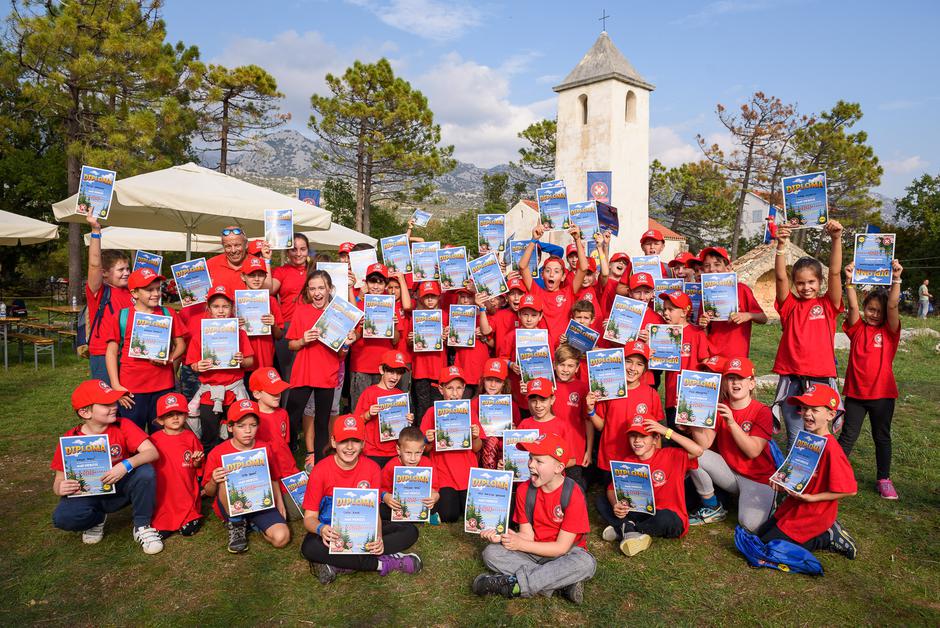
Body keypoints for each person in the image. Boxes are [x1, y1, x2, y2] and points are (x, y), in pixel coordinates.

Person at [472, 433, 595, 604]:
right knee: (491, 553)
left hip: (565, 555)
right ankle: (562, 584)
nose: (530, 465)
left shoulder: (573, 494)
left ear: (559, 468)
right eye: (530, 458)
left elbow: (561, 548)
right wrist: (505, 536)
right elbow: (526, 536)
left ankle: (513, 585)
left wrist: (521, 544)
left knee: (585, 563)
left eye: (539, 461)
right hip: (533, 551)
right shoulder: (524, 490)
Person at [300, 414, 422, 584]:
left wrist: (378, 537)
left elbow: (375, 514)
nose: (350, 447)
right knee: (309, 547)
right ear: (334, 442)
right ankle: (383, 563)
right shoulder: (320, 470)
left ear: (363, 443)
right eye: (344, 441)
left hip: (364, 529)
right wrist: (321, 529)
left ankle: (340, 565)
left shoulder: (372, 468)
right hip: (333, 533)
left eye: (355, 441)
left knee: (410, 531)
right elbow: (309, 518)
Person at [50, 380, 164, 554]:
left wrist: (125, 465)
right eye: (106, 404)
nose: (114, 406)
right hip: (88, 492)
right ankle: (96, 519)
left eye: (114, 402)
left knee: (145, 472)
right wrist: (60, 488)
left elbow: (151, 452)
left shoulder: (123, 424)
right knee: (63, 518)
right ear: (85, 412)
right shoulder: (70, 438)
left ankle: (142, 525)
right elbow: (58, 480)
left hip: (120, 487)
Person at [757, 384, 858, 559]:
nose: (807, 414)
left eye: (814, 410)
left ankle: (827, 537)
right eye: (804, 408)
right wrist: (781, 483)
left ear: (831, 415)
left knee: (771, 549)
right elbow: (797, 476)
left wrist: (812, 498)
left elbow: (850, 489)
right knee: (760, 537)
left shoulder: (831, 449)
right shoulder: (805, 440)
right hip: (794, 506)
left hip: (815, 512)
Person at [771, 221, 844, 450]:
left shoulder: (828, 305)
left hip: (820, 379)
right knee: (796, 436)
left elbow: (834, 271)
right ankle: (796, 482)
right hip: (792, 379)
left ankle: (819, 479)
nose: (806, 287)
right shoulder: (789, 305)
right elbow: (781, 277)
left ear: (819, 282)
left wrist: (836, 239)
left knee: (819, 435)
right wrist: (781, 247)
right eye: (800, 283)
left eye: (811, 282)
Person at [687, 358, 777, 532]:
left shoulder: (762, 411)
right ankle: (712, 507)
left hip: (757, 477)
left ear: (751, 383)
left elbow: (753, 451)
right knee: (693, 453)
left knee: (750, 526)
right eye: (730, 378)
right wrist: (692, 420)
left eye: (740, 378)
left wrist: (732, 423)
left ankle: (771, 500)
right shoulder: (721, 407)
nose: (735, 382)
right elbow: (704, 444)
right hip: (730, 473)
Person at [839, 260, 903, 499]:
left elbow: (894, 304)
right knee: (847, 437)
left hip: (883, 396)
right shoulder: (857, 328)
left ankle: (884, 478)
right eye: (871, 309)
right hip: (855, 395)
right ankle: (832, 472)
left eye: (879, 311)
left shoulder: (890, 331)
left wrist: (896, 278)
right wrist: (849, 282)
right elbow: (853, 308)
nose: (874, 314)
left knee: (882, 436)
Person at [597, 416, 704, 556]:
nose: (637, 441)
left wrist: (667, 431)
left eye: (643, 436)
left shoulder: (671, 455)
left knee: (666, 518)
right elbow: (612, 489)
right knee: (602, 500)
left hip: (667, 516)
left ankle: (626, 529)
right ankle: (629, 529)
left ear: (655, 439)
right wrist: (616, 505)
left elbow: (698, 451)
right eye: (633, 436)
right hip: (640, 512)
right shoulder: (628, 461)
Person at [202, 401, 291, 554]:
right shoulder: (217, 453)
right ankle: (237, 524)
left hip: (261, 501)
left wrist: (279, 502)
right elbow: (209, 492)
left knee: (281, 538)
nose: (248, 431)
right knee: (225, 474)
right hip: (232, 507)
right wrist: (213, 481)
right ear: (230, 427)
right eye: (241, 426)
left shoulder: (265, 447)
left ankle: (253, 524)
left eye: (253, 425)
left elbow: (273, 477)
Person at [103, 268, 186, 432]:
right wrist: (116, 385)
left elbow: (181, 344)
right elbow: (111, 352)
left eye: (158, 288)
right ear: (134, 293)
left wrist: (169, 358)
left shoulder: (167, 313)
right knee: (133, 436)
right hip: (132, 390)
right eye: (149, 290)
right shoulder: (122, 316)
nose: (155, 293)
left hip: (163, 387)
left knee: (162, 437)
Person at [285, 270, 351, 467]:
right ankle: (284, 462)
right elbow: (291, 345)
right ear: (308, 291)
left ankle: (320, 465)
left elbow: (341, 355)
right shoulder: (302, 311)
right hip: (303, 374)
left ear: (330, 289)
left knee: (322, 423)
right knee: (291, 419)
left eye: (321, 288)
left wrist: (346, 344)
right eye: (312, 288)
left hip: (327, 376)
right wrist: (303, 340)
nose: (317, 292)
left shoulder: (339, 315)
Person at [186, 285, 255, 452]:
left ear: (232, 308)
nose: (221, 311)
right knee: (209, 436)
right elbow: (192, 364)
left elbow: (250, 361)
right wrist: (198, 366)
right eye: (216, 307)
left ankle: (235, 470)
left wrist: (242, 360)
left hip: (234, 392)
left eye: (225, 306)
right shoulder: (200, 335)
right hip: (209, 395)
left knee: (237, 436)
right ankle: (210, 471)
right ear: (209, 309)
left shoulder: (240, 333)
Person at [587, 340, 664, 484]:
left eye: (639, 364)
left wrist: (656, 461)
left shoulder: (651, 394)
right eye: (628, 361)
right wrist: (591, 411)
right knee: (612, 500)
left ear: (645, 369)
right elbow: (601, 426)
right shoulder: (608, 389)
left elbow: (655, 432)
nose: (632, 368)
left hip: (639, 459)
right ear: (620, 362)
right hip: (611, 458)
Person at [420, 366, 485, 522]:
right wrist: (427, 440)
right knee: (450, 515)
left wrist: (475, 436)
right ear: (441, 390)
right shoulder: (431, 412)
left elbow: (477, 447)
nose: (454, 393)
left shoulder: (470, 412)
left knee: (471, 512)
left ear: (464, 389)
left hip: (467, 473)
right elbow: (425, 450)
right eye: (449, 388)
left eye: (458, 388)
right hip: (444, 474)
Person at [519, 224, 588, 345]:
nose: (551, 274)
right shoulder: (536, 292)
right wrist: (534, 240)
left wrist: (578, 239)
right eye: (548, 270)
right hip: (543, 351)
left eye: (556, 271)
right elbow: (523, 266)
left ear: (563, 277)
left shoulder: (569, 292)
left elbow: (583, 268)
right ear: (542, 275)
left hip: (564, 350)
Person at [696, 246, 768, 358]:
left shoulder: (742, 289)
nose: (711, 269)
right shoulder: (705, 294)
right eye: (707, 266)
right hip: (712, 356)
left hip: (736, 355)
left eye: (717, 264)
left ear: (728, 267)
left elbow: (763, 318)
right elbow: (705, 332)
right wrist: (703, 324)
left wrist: (748, 315)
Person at [84, 215, 132, 383]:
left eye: (128, 268)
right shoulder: (99, 291)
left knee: (126, 398)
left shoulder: (132, 292)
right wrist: (96, 231)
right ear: (104, 272)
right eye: (120, 270)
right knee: (106, 399)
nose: (126, 272)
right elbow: (94, 264)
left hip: (127, 353)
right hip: (103, 352)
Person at [150, 392, 204, 540]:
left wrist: (197, 460)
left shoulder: (190, 436)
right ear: (160, 420)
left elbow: (197, 466)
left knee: (188, 530)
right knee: (162, 525)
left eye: (179, 413)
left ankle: (189, 516)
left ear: (186, 416)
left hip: (185, 487)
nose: (175, 418)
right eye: (169, 415)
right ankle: (165, 520)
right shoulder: (154, 440)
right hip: (165, 490)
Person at [659, 290, 713, 428]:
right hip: (672, 396)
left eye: (671, 309)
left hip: (693, 396)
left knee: (693, 435)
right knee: (674, 434)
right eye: (664, 309)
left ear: (684, 312)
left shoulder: (697, 333)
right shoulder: (662, 334)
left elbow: (705, 362)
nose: (665, 313)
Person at [516, 377, 582, 487]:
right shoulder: (524, 424)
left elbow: (572, 460)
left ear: (552, 400)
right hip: (528, 484)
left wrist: (548, 468)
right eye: (533, 401)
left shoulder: (562, 426)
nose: (538, 405)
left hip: (554, 485)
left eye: (543, 400)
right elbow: (515, 455)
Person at [353, 350, 412, 468]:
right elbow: (356, 422)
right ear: (381, 370)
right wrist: (368, 414)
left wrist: (408, 420)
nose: (395, 377)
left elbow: (404, 428)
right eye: (391, 372)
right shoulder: (369, 393)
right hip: (372, 452)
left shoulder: (400, 395)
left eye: (399, 373)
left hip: (395, 453)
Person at [271, 233, 311, 383]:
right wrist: (266, 260)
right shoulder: (281, 271)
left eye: (303, 249)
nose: (298, 253)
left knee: (309, 374)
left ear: (308, 250)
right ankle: (287, 407)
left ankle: (309, 407)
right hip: (287, 326)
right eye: (294, 249)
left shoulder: (315, 269)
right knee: (288, 376)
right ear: (287, 252)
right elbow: (269, 290)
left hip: (312, 327)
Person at [380, 426, 441, 523]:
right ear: (398, 450)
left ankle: (423, 516)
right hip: (398, 505)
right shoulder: (391, 466)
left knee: (441, 503)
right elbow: (380, 488)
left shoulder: (427, 464)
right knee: (381, 510)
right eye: (408, 453)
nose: (413, 458)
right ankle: (422, 518)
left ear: (423, 449)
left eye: (417, 453)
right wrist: (385, 497)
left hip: (421, 503)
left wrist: (434, 497)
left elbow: (435, 490)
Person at [240, 255, 284, 374]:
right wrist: (235, 326)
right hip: (244, 362)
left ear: (265, 276)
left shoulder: (271, 301)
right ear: (243, 276)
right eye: (252, 275)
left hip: (266, 360)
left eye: (260, 275)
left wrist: (273, 324)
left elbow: (279, 335)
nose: (256, 279)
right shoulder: (235, 302)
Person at [410, 281, 448, 422]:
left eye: (433, 296)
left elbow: (452, 343)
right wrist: (411, 338)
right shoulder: (415, 316)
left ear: (439, 297)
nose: (430, 300)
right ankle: (422, 439)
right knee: (422, 407)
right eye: (427, 297)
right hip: (420, 369)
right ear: (421, 298)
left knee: (437, 406)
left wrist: (446, 337)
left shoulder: (445, 316)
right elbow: (408, 342)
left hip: (439, 369)